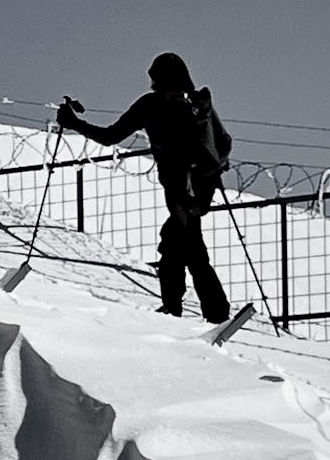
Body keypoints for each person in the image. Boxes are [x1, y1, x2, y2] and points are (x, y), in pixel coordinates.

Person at [57, 52, 232, 323]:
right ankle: (186, 308)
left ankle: (209, 311)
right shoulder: (197, 103)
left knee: (186, 245)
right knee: (177, 242)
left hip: (178, 186)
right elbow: (221, 143)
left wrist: (74, 123)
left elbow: (109, 136)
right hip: (204, 185)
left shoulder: (152, 104)